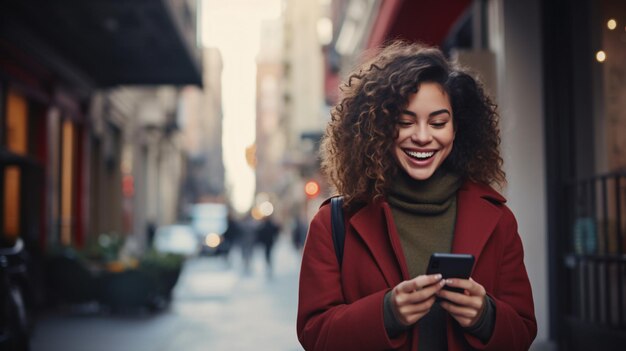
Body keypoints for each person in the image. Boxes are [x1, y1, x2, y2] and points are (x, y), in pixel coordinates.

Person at [297, 41, 537, 351]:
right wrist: (387, 313)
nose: (423, 137)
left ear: (457, 128)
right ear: (379, 128)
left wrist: (485, 316)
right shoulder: (333, 223)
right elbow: (316, 335)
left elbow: (523, 331)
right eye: (405, 122)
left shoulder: (498, 219)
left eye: (438, 123)